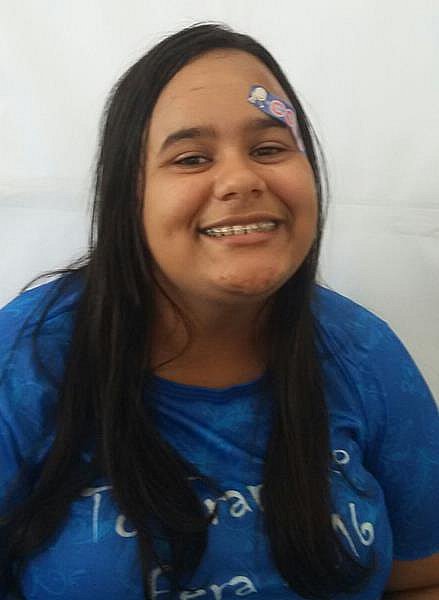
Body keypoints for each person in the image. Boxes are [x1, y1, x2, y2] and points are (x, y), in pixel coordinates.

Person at [0, 23, 438, 600]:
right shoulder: (25, 357)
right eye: (191, 158)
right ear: (130, 196)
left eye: (269, 149)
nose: (241, 179)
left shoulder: (364, 351)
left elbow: (421, 579)